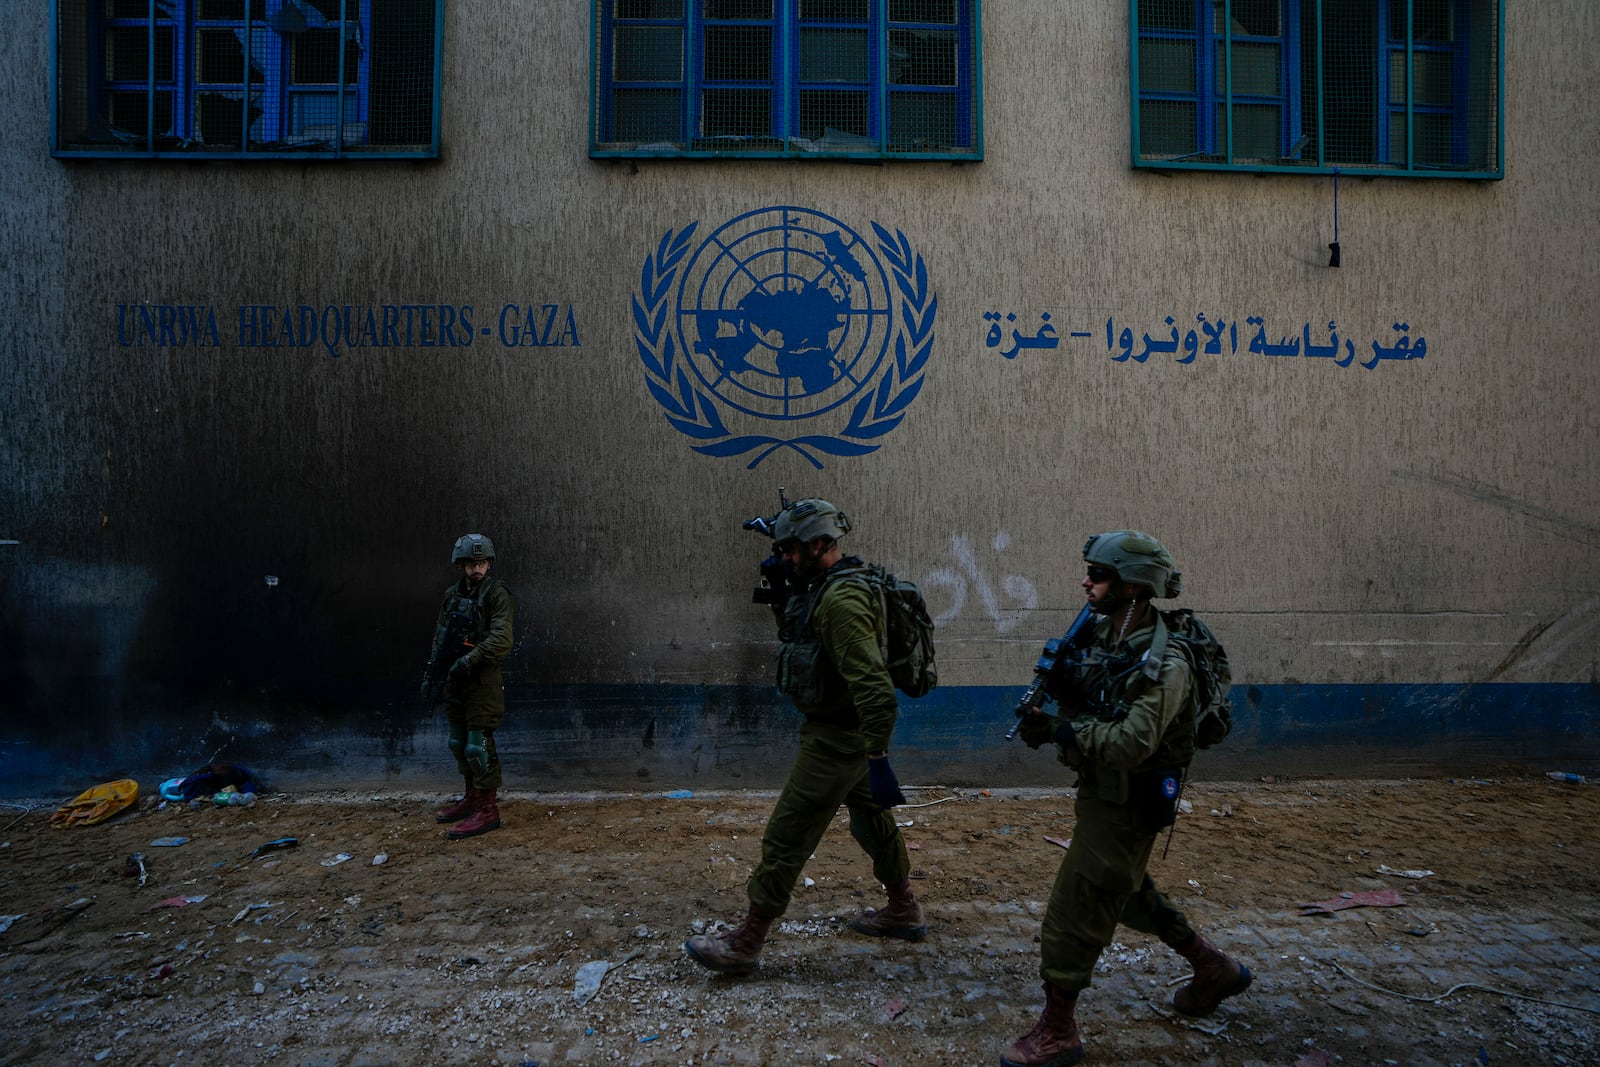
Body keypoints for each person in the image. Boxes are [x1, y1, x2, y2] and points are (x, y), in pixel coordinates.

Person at [1002, 531, 1252, 1067]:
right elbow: (1095, 699)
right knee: (1128, 890)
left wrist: (1061, 731)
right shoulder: (1105, 633)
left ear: (1134, 586)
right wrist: (1058, 697)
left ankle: (1058, 1031)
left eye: (1098, 574)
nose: (1086, 582)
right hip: (1100, 793)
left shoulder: (1168, 664)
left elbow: (1130, 742)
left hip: (1131, 798)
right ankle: (1212, 967)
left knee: (1076, 908)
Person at [685, 498, 924, 975]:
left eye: (793, 549)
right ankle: (903, 908)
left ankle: (746, 941)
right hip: (844, 734)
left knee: (786, 836)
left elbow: (877, 692)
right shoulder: (823, 588)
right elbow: (808, 646)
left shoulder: (841, 601)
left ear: (820, 544)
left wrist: (876, 756)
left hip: (839, 739)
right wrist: (783, 592)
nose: (787, 558)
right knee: (871, 822)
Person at [421, 533, 516, 840]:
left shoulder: (496, 594)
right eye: (472, 563)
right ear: (461, 564)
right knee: (458, 741)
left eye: (483, 562)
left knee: (478, 745)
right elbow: (441, 635)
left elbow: (501, 639)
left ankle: (488, 811)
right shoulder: (452, 595)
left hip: (481, 680)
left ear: (489, 564)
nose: (478, 569)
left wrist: (468, 660)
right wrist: (431, 674)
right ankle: (471, 798)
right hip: (453, 678)